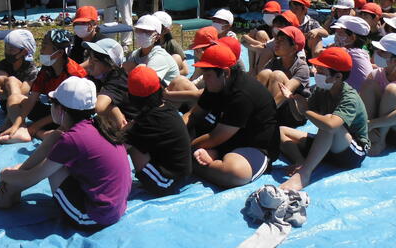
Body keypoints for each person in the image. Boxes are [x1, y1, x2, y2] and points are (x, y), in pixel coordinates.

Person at [0, 77, 131, 230]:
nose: (50, 107)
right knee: (55, 138)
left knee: (53, 166)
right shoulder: (94, 124)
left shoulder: (73, 139)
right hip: (113, 206)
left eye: (52, 103)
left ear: (61, 110)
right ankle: (6, 193)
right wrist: (17, 171)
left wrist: (5, 175)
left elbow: (33, 177)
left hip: (92, 216)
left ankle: (4, 195)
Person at [187, 44, 279, 188]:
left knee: (234, 174)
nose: (204, 78)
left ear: (225, 72)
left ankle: (190, 162)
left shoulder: (243, 95)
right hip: (226, 137)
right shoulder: (215, 85)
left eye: (208, 74)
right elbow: (193, 114)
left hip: (253, 145)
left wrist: (184, 148)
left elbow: (216, 137)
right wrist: (176, 134)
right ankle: (206, 155)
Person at [279, 47, 369, 191]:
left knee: (329, 122)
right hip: (328, 144)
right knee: (281, 131)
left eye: (321, 71)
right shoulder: (321, 90)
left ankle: (304, 174)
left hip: (352, 152)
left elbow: (330, 125)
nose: (316, 73)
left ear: (338, 77)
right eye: (317, 68)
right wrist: (291, 100)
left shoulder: (349, 97)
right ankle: (300, 162)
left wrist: (305, 110)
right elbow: (300, 116)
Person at [0, 29, 87, 144]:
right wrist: (17, 124)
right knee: (14, 98)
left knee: (62, 133)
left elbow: (71, 111)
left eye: (44, 46)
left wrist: (35, 126)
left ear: (59, 53)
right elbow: (32, 99)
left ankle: (36, 132)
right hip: (54, 112)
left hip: (70, 117)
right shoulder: (46, 69)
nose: (41, 50)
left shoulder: (74, 75)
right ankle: (23, 130)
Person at [125, 66, 192, 195]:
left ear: (132, 98)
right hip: (182, 175)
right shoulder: (167, 107)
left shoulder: (147, 122)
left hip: (166, 182)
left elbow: (121, 144)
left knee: (132, 145)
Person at [257, 26, 311, 127]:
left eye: (282, 40)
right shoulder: (274, 61)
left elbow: (286, 91)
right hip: (274, 107)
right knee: (265, 73)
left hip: (294, 113)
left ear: (294, 48)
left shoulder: (301, 67)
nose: (276, 42)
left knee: (277, 75)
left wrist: (264, 114)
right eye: (277, 39)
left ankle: (267, 118)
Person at [83, 37, 130, 130]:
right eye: (90, 59)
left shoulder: (118, 79)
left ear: (110, 64)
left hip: (127, 128)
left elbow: (98, 107)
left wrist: (112, 109)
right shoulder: (99, 76)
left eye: (95, 61)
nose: (90, 64)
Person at [124, 14, 179, 84]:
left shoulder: (159, 57)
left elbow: (146, 82)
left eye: (148, 31)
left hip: (166, 90)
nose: (142, 34)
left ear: (157, 36)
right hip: (144, 88)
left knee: (141, 68)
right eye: (139, 30)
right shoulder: (135, 54)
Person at [329, 15, 373, 92]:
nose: (336, 36)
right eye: (336, 32)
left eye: (340, 33)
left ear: (353, 37)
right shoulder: (362, 53)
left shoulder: (345, 53)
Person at [242, 0, 282, 71]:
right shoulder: (264, 26)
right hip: (264, 49)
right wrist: (257, 44)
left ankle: (257, 70)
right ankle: (252, 69)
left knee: (261, 34)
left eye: (271, 12)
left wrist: (253, 45)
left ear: (278, 14)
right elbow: (244, 39)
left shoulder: (281, 28)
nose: (268, 14)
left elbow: (268, 48)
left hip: (275, 56)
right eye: (266, 12)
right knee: (253, 35)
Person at [154, 10, 188, 75]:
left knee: (176, 57)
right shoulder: (149, 42)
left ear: (166, 30)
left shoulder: (172, 44)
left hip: (165, 76)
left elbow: (185, 70)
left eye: (156, 26)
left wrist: (167, 75)